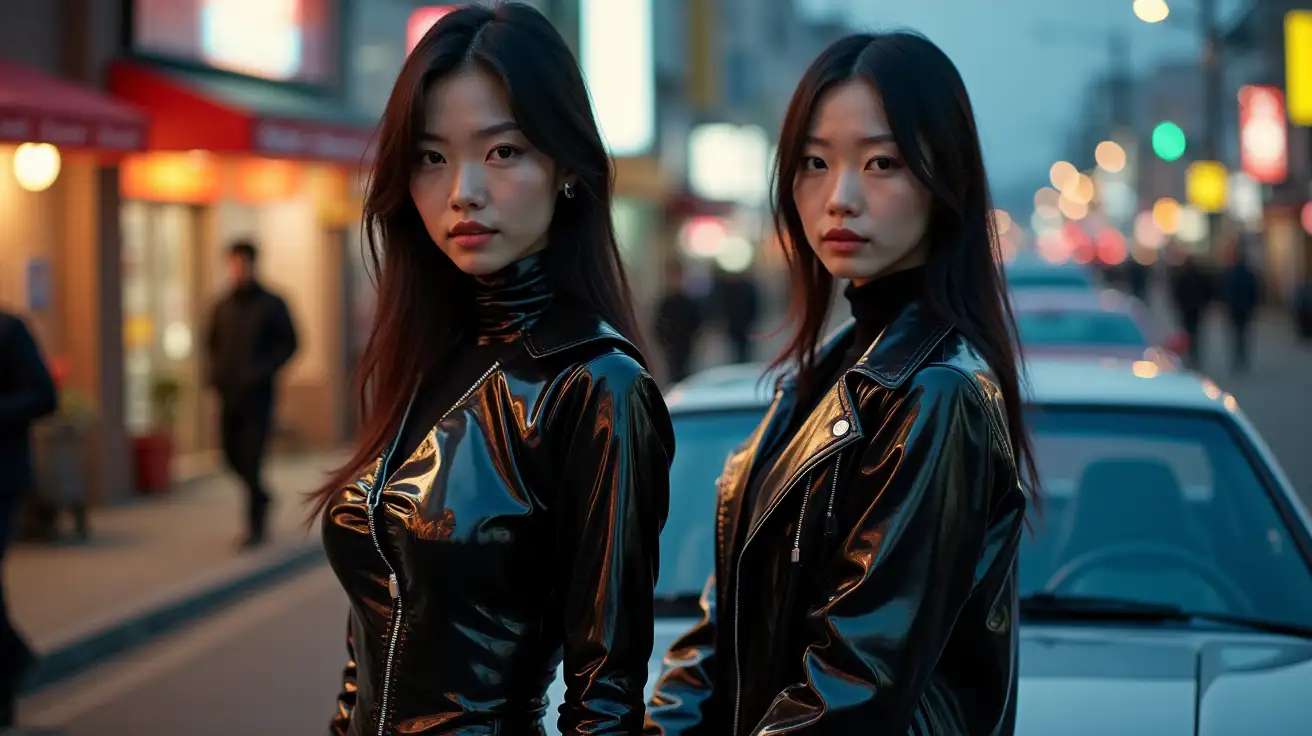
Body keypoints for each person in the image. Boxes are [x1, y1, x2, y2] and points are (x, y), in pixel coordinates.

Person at [646, 31, 1037, 735]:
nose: (839, 198)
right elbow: (720, 629)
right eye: (815, 162)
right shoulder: (830, 372)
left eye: (882, 162)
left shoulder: (935, 394)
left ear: (943, 178)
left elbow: (852, 689)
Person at [309, 4, 674, 734]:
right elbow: (366, 651)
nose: (462, 191)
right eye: (431, 157)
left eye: (502, 152)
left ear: (566, 166)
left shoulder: (597, 384)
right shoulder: (419, 356)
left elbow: (605, 693)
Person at [204, 240, 298, 548]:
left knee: (251, 457)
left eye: (242, 263)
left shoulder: (271, 303)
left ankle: (255, 526)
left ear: (253, 264)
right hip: (229, 397)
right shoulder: (222, 305)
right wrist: (214, 376)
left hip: (259, 397)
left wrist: (263, 370)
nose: (238, 269)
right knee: (230, 457)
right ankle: (263, 496)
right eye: (233, 263)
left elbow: (290, 343)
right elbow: (211, 344)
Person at [0, 309, 57, 728]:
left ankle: (7, 678)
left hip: (3, 480)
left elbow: (44, 396)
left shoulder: (8, 329)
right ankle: (13, 658)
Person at [654, 260, 704, 383]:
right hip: (671, 344)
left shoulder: (688, 302)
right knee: (673, 372)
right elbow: (658, 324)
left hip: (686, 342)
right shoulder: (666, 303)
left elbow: (696, 322)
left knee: (686, 371)